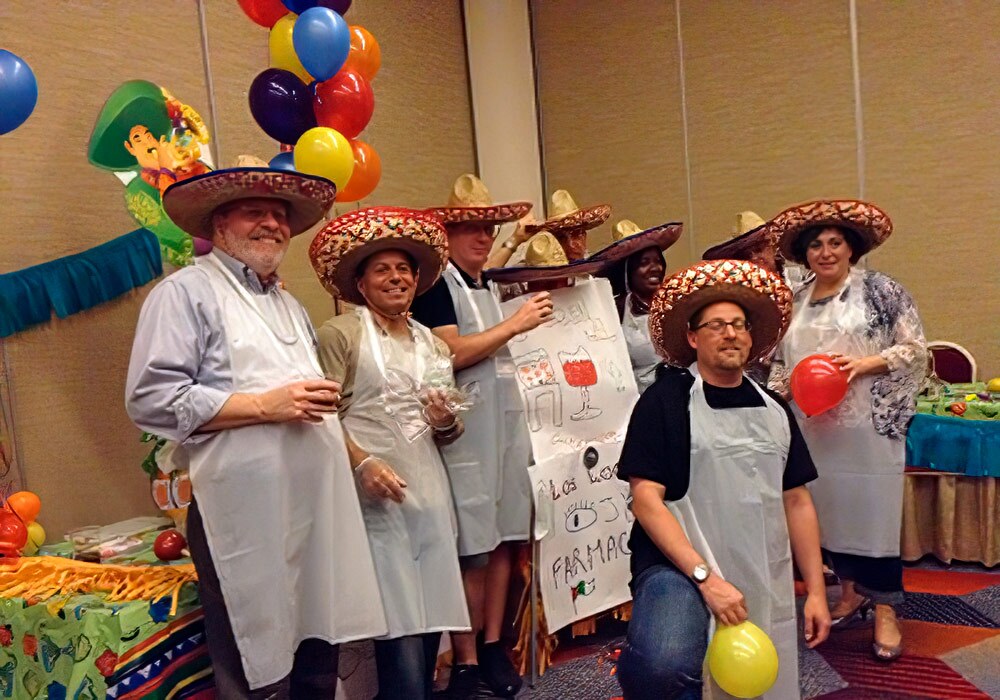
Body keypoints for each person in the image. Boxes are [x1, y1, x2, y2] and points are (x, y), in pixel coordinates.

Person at [125, 164, 387, 698]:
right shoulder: (184, 294)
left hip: (314, 509)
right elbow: (151, 399)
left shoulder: (287, 303)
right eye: (254, 211)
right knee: (257, 658)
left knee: (318, 647)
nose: (272, 223)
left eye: (280, 214)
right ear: (219, 223)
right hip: (245, 513)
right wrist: (265, 405)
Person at [616, 259, 831, 700]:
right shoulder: (664, 402)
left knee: (758, 677)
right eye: (716, 325)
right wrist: (705, 578)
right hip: (677, 566)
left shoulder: (774, 409)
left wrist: (816, 590)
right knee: (663, 666)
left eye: (739, 325)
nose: (730, 333)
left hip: (760, 566)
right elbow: (646, 501)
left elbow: (797, 501)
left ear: (751, 338)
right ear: (693, 338)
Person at [309, 207, 472, 699]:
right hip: (374, 497)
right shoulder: (340, 335)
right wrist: (360, 461)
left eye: (404, 269)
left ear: (418, 280)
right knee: (397, 617)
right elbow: (320, 416)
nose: (395, 277)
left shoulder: (434, 347)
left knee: (430, 613)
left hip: (430, 492)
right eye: (382, 269)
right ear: (360, 284)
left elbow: (450, 429)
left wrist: (445, 418)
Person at [412, 176, 553, 699]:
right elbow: (451, 354)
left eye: (487, 228)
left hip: (506, 428)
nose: (481, 236)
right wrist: (516, 325)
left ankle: (493, 645)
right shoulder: (435, 289)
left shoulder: (485, 283)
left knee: (502, 540)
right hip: (467, 436)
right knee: (471, 547)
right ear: (446, 233)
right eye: (469, 227)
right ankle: (466, 659)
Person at [767, 199, 927, 662]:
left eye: (835, 242)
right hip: (813, 428)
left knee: (872, 517)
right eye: (815, 245)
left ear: (851, 247)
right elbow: (779, 363)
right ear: (804, 254)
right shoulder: (792, 300)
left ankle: (886, 611)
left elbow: (914, 350)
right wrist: (781, 394)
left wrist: (863, 365)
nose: (825, 252)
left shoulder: (881, 291)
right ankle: (850, 590)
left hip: (867, 427)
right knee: (825, 514)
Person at [592, 218, 683, 393]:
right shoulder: (615, 310)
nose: (654, 267)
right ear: (628, 271)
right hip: (640, 402)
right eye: (644, 263)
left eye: (657, 261)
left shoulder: (677, 304)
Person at [702, 212, 787, 383]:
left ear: (773, 247)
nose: (755, 258)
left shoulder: (800, 289)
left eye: (759, 248)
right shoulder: (735, 301)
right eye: (745, 256)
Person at [525, 189, 611, 262]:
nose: (571, 245)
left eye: (576, 234)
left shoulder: (598, 278)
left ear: (584, 236)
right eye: (561, 238)